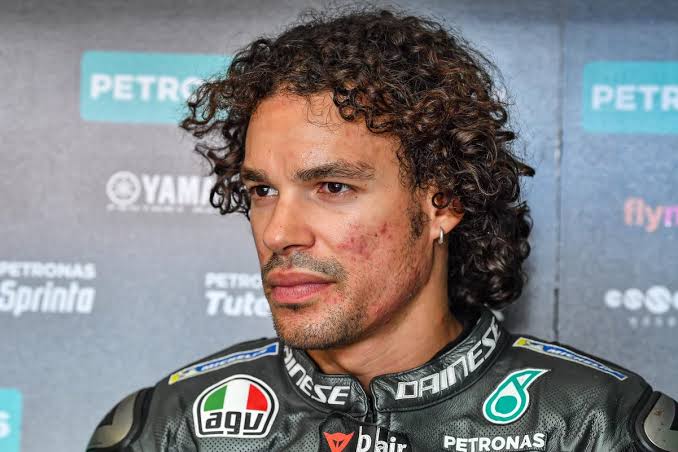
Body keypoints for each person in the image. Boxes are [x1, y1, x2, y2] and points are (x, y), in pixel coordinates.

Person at [87, 6, 677, 452]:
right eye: (263, 191)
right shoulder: (172, 429)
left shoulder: (596, 427)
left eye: (332, 187)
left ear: (443, 201)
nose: (277, 233)